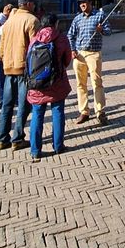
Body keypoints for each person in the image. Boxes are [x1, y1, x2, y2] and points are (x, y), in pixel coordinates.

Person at [27, 14, 72, 161]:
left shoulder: (34, 39)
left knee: (37, 115)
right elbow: (67, 60)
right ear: (56, 24)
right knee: (58, 112)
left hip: (37, 84)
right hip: (56, 82)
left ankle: (35, 150)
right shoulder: (62, 38)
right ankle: (58, 146)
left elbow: (28, 59)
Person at [0, 0, 39, 150]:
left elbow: (1, 46)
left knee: (7, 104)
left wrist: (5, 60)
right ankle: (18, 138)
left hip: (9, 67)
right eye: (33, 4)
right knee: (23, 104)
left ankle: (2, 138)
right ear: (27, 4)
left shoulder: (8, 22)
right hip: (24, 68)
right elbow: (36, 48)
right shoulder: (32, 20)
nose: (34, 7)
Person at [67, 0, 111, 125]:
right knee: (81, 84)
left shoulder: (100, 16)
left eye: (84, 3)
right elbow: (70, 35)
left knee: (97, 82)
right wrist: (73, 50)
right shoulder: (77, 19)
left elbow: (109, 31)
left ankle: (100, 111)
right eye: (80, 3)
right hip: (80, 54)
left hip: (93, 53)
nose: (82, 5)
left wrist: (101, 29)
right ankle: (84, 111)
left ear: (91, 3)